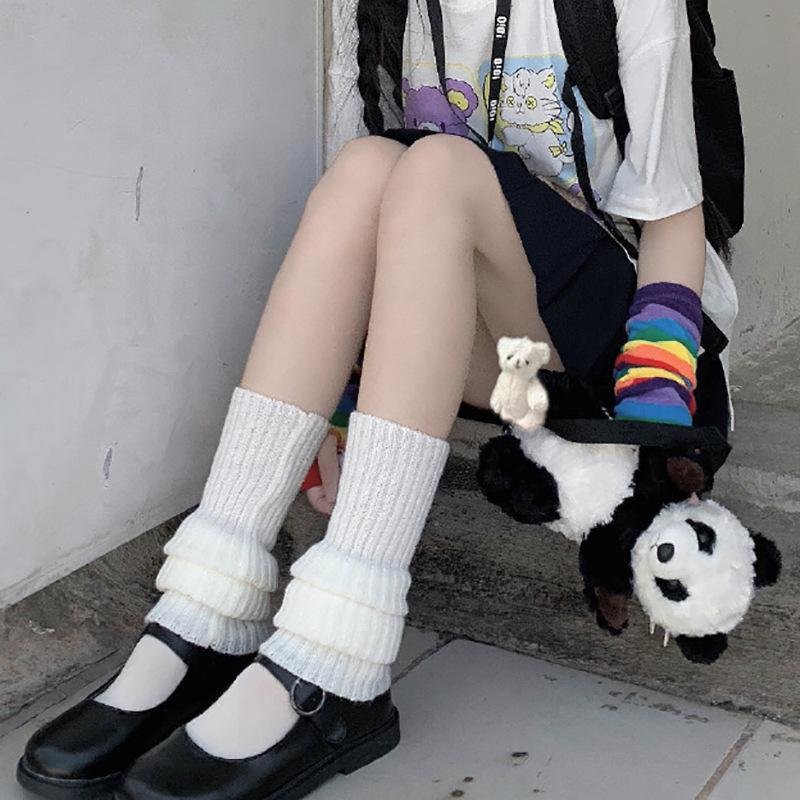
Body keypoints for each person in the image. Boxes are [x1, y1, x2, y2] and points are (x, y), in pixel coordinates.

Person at [18, 1, 739, 799]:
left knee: (437, 167)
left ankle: (341, 652)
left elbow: (675, 219)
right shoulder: (386, 10)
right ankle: (206, 608)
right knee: (367, 166)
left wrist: (654, 435)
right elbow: (375, 243)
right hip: (495, 351)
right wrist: (339, 406)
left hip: (623, 350)